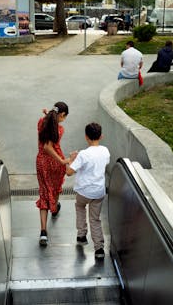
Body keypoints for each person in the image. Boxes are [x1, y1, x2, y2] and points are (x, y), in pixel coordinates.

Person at [66, 123, 110, 260]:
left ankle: (81, 235)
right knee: (95, 219)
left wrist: (72, 159)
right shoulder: (105, 151)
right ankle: (99, 248)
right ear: (101, 136)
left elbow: (69, 172)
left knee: (80, 207)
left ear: (86, 137)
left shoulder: (83, 155)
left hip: (84, 192)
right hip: (98, 193)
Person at [36, 101, 70, 246]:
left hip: (42, 163)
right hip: (55, 163)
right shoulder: (59, 129)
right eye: (64, 117)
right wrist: (62, 161)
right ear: (61, 115)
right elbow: (48, 147)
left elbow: (46, 127)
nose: (64, 120)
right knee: (55, 188)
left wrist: (46, 115)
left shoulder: (41, 122)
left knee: (44, 193)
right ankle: (54, 207)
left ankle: (43, 232)